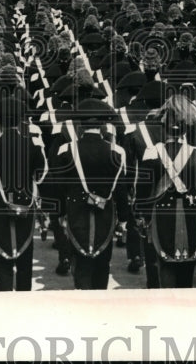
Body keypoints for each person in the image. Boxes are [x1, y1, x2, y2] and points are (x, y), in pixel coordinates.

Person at [133, 93, 196, 289]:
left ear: (164, 125)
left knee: (162, 268)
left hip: (160, 216)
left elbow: (142, 192)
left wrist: (140, 215)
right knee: (187, 273)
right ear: (186, 127)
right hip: (192, 218)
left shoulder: (152, 152)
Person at [51, 98, 129, 290]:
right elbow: (121, 190)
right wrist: (123, 220)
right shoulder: (117, 151)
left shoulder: (66, 150)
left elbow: (59, 188)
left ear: (79, 125)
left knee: (81, 265)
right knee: (103, 264)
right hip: (106, 214)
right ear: (103, 125)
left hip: (76, 213)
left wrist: (60, 214)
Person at [0, 96, 48, 291]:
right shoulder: (31, 145)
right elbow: (41, 176)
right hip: (25, 205)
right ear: (20, 120)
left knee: (2, 261)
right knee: (25, 258)